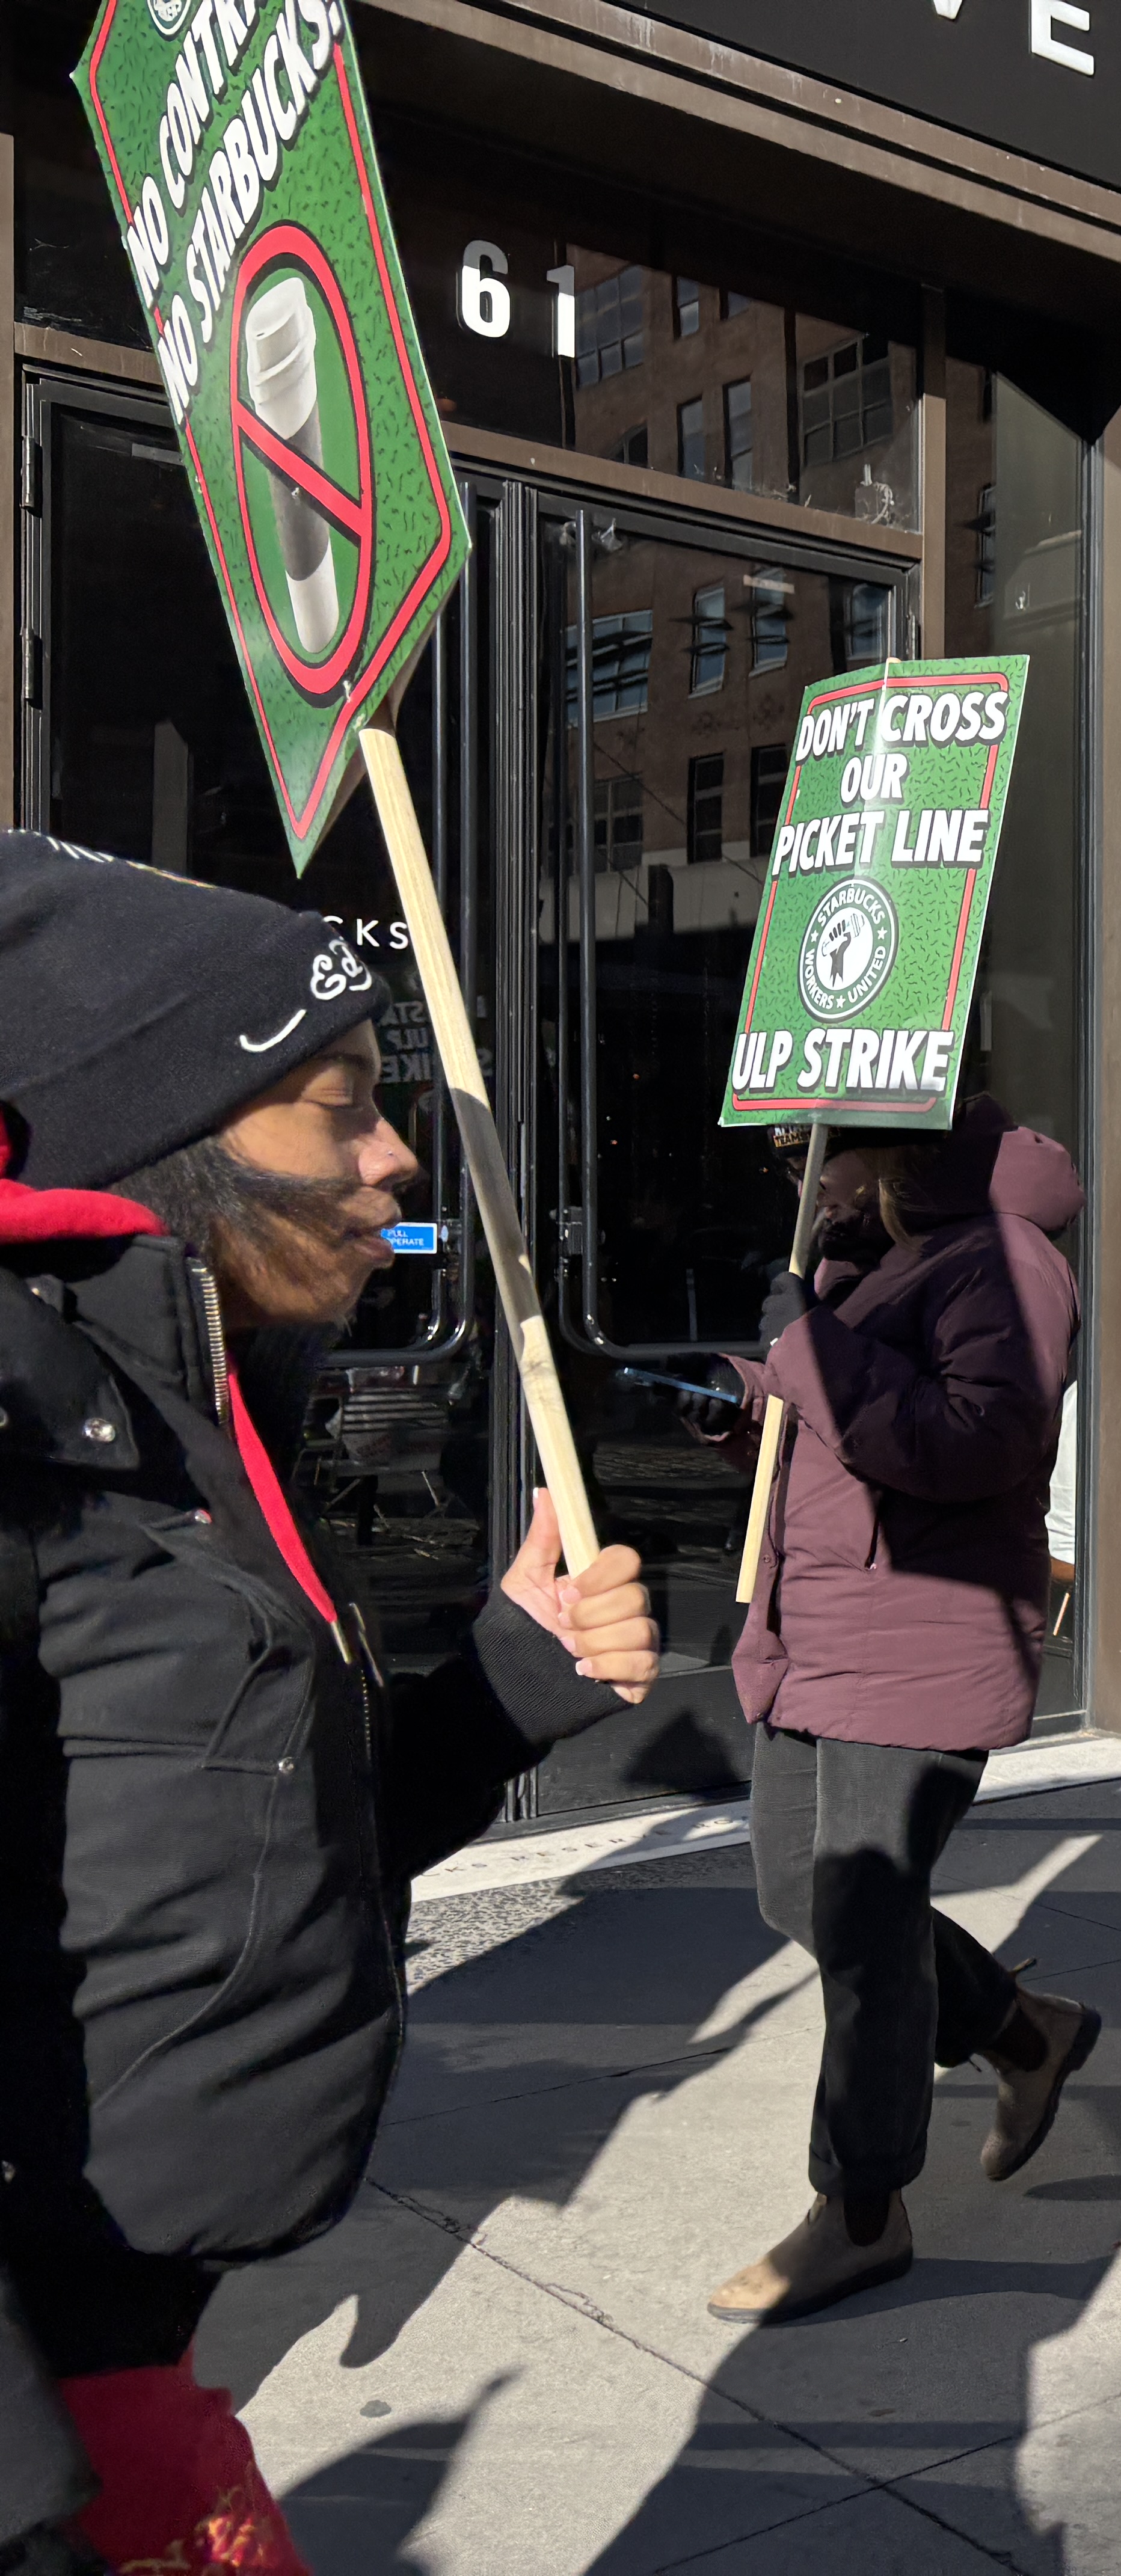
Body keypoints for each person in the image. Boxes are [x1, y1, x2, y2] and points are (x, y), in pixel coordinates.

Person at [0, 841, 660, 2574]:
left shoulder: (193, 1423)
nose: (396, 1159)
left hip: (140, 2347)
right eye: (340, 1105)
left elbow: (265, 1838)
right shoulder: (26, 1440)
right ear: (158, 1134)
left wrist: (508, 1685)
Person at [701, 1098, 1098, 2322]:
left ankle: (861, 2208)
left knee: (866, 1929)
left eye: (825, 1154)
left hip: (920, 1636)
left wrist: (812, 1350)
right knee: (795, 1888)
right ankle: (1020, 2031)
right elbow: (830, 1433)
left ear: (896, 1149)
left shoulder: (1006, 1260)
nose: (807, 1181)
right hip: (816, 1630)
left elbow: (979, 1441)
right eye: (795, 1156)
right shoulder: (870, 1258)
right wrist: (742, 1398)